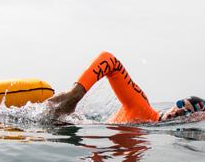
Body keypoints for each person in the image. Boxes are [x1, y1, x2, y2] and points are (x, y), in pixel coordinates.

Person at [47, 51, 205, 123]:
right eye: (180, 105)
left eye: (187, 112)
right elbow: (109, 59)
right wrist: (75, 95)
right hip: (66, 123)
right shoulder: (141, 106)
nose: (179, 111)